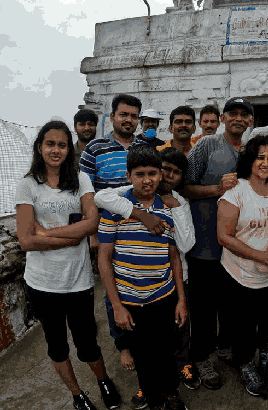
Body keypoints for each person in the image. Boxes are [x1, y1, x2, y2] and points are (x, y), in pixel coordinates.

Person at [16, 120, 121, 410]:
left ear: (68, 149)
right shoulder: (28, 185)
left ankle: (103, 379)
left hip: (78, 280)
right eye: (50, 144)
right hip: (42, 282)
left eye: (62, 144)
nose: (56, 150)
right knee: (57, 346)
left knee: (87, 343)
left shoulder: (80, 179)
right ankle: (77, 395)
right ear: (40, 146)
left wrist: (47, 234)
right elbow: (25, 240)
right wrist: (70, 239)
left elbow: (92, 222)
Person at [94, 148, 199, 397]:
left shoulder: (169, 209)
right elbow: (104, 259)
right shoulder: (116, 210)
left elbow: (174, 256)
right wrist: (117, 306)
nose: (147, 180)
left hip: (163, 298)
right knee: (142, 354)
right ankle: (152, 396)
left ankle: (171, 395)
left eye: (153, 173)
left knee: (165, 351)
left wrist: (181, 300)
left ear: (160, 175)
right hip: (129, 301)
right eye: (139, 174)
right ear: (129, 176)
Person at [182, 97, 253, 390]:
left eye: (244, 114)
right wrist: (216, 189)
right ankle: (201, 356)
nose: (238, 118)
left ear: (250, 121)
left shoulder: (250, 152)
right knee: (203, 306)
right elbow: (183, 185)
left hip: (237, 245)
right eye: (232, 113)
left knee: (232, 303)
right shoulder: (207, 145)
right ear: (223, 118)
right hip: (206, 244)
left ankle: (225, 347)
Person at [217, 135, 268, 398]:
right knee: (243, 325)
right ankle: (246, 363)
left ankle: (267, 358)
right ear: (249, 159)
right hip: (240, 274)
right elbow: (224, 237)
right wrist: (260, 256)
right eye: (260, 157)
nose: (266, 163)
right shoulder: (235, 193)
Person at [79, 94, 148, 192]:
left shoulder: (145, 148)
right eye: (123, 114)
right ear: (112, 117)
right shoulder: (94, 148)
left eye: (134, 116)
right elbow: (85, 191)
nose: (128, 120)